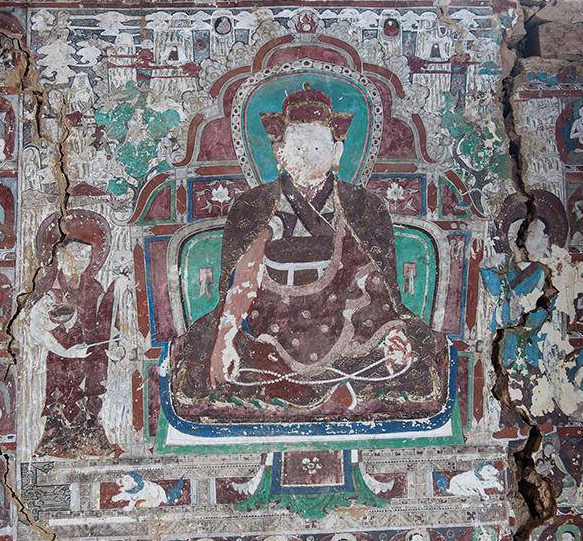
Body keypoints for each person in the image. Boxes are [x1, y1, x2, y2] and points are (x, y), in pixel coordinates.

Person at [168, 83, 446, 422]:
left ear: (337, 152)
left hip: (344, 316)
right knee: (203, 365)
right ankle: (326, 388)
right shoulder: (253, 206)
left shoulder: (363, 206)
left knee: (414, 362)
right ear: (279, 153)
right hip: (268, 318)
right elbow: (242, 279)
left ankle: (332, 385)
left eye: (317, 146)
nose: (307, 155)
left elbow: (375, 281)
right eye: (297, 146)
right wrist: (225, 337)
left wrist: (392, 331)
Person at [28, 222, 119, 458]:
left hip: (89, 357)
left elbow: (103, 321)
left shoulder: (94, 286)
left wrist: (112, 344)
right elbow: (36, 328)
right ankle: (55, 444)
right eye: (77, 254)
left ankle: (90, 441)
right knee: (61, 401)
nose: (83, 261)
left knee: (90, 401)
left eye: (87, 256)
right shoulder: (51, 289)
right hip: (62, 359)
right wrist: (66, 351)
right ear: (61, 255)